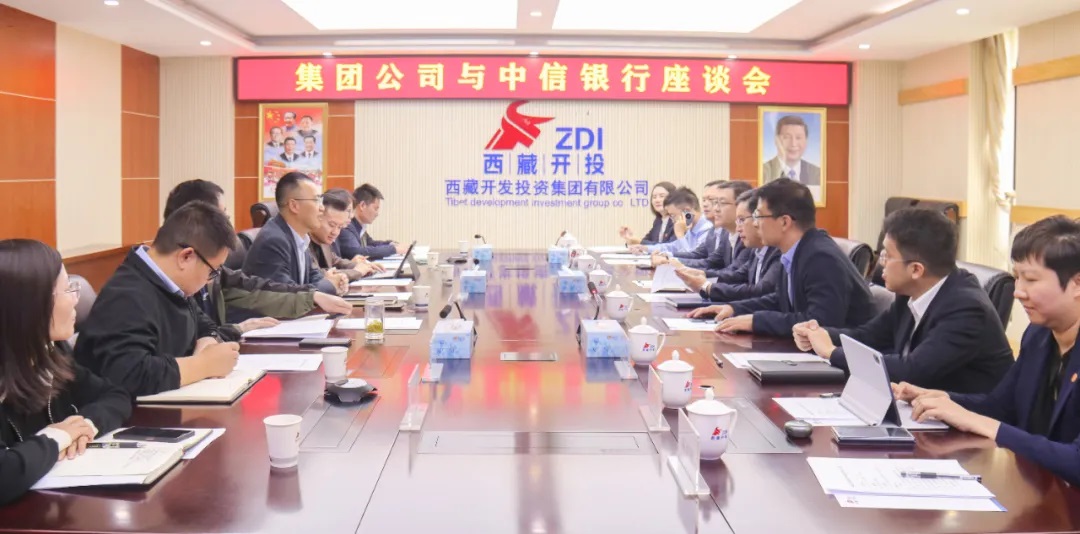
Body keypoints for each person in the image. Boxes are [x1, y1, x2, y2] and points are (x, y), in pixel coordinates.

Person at [898, 216, 1080, 485]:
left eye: (1031, 279)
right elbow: (1001, 407)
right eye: (1016, 278)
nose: (1018, 292)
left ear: (1077, 284)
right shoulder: (1038, 335)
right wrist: (941, 400)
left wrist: (987, 425)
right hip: (1041, 492)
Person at [792, 208, 1013, 393]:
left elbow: (912, 371)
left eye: (887, 256)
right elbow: (869, 336)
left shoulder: (967, 309)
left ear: (916, 269)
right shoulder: (910, 291)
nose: (880, 263)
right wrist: (819, 334)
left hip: (965, 423)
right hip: (919, 408)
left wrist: (831, 352)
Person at [0, 239, 132, 505]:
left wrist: (84, 426)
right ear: (32, 306)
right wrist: (57, 438)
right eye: (68, 289)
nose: (76, 299)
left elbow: (115, 395)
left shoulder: (50, 351)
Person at [74, 202, 242, 397]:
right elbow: (129, 374)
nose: (210, 280)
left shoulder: (173, 286)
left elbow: (204, 325)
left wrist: (207, 343)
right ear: (186, 257)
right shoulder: (126, 296)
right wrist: (203, 365)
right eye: (212, 271)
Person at [162, 180, 352, 339]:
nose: (228, 224)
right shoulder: (274, 239)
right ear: (194, 220)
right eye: (223, 216)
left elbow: (257, 288)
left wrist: (313, 296)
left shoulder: (213, 273)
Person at [693, 178, 874, 336]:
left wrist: (756, 321)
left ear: (785, 222)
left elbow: (819, 322)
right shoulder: (795, 250)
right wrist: (735, 308)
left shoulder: (820, 257)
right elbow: (780, 299)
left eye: (758, 216)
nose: (755, 224)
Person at [243, 172, 348, 295]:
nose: (322, 208)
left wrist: (333, 281)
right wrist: (330, 285)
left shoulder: (300, 236)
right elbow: (287, 294)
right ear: (294, 205)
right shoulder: (274, 241)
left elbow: (313, 276)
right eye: (316, 200)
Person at [682, 189, 782, 302]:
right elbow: (737, 275)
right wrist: (702, 274)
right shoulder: (756, 249)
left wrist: (708, 287)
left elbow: (760, 291)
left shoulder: (778, 251)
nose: (716, 208)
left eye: (742, 220)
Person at [658, 180, 753, 275]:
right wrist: (669, 259)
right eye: (714, 202)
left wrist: (693, 272)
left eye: (721, 203)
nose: (715, 208)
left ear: (741, 206)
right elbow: (709, 260)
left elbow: (735, 274)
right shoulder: (723, 232)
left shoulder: (749, 236)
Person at [310, 188, 378, 282]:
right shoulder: (303, 241)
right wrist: (356, 271)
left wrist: (364, 266)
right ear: (318, 217)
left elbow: (335, 261)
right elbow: (317, 274)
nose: (335, 232)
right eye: (331, 225)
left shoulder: (324, 238)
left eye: (339, 227)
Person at [628, 187, 712, 256]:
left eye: (672, 215)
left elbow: (693, 258)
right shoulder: (691, 228)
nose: (672, 220)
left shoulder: (707, 229)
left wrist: (680, 235)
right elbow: (672, 247)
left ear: (687, 211)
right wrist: (645, 248)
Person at [336, 183, 408, 260]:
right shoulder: (347, 226)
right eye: (375, 208)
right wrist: (393, 249)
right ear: (362, 205)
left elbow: (371, 244)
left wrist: (391, 244)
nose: (377, 213)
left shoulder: (359, 226)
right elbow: (357, 252)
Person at [762, 115, 821, 186]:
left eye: (798, 138)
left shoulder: (817, 174)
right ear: (776, 140)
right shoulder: (763, 172)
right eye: (787, 137)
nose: (793, 144)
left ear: (806, 141)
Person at [619, 181, 676, 246]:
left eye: (661, 196)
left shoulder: (677, 220)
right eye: (654, 197)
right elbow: (647, 241)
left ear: (673, 198)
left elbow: (669, 247)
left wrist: (638, 241)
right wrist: (630, 238)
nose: (657, 200)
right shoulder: (658, 221)